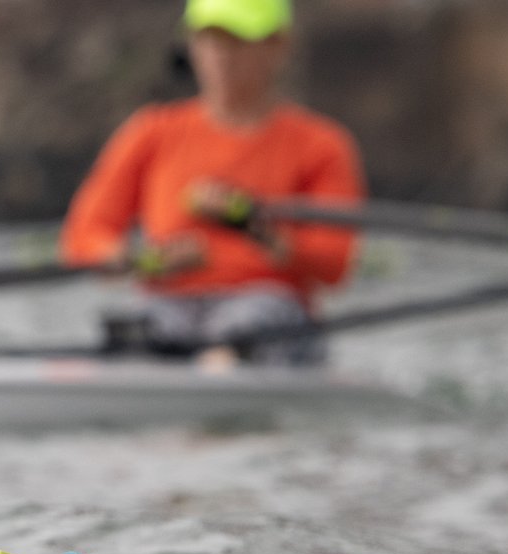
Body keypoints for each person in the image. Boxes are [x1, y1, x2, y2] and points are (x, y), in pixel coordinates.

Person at [59, 0, 363, 365]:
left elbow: (335, 264)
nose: (221, 56)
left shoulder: (322, 146)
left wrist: (257, 229)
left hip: (268, 309)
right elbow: (83, 237)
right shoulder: (151, 133)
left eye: (237, 41)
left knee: (243, 329)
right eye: (208, 40)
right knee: (139, 334)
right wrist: (143, 261)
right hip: (170, 305)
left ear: (278, 46)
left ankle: (216, 380)